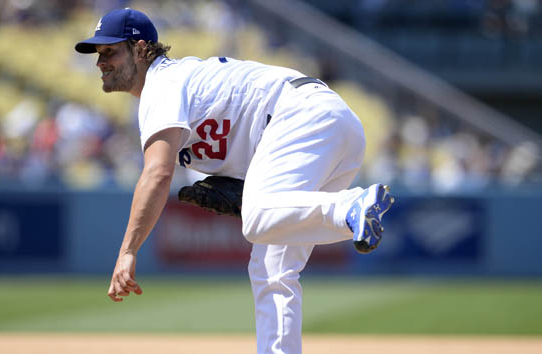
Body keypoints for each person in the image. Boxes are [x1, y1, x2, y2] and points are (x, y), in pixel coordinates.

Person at [75, 8, 393, 354]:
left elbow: (158, 172)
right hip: (331, 124)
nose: (100, 61)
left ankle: (349, 204)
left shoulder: (161, 84)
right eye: (98, 53)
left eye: (109, 51)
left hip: (300, 115)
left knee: (257, 221)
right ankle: (352, 213)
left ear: (140, 49)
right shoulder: (177, 84)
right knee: (272, 265)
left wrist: (127, 252)